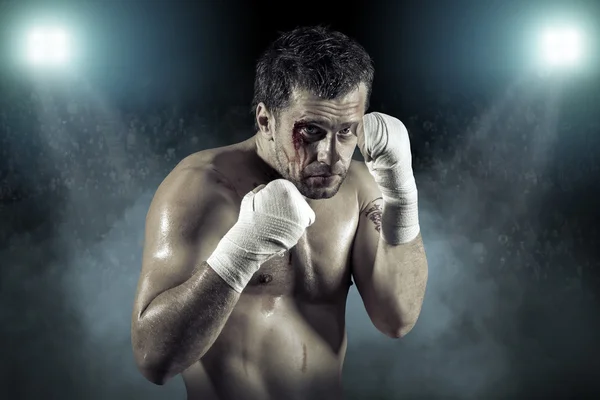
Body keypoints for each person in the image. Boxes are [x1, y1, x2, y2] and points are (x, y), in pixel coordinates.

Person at [131, 26, 428, 400]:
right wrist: (241, 250)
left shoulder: (357, 188)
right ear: (266, 121)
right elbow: (153, 360)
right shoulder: (200, 189)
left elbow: (397, 319)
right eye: (311, 131)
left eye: (347, 131)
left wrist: (402, 191)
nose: (331, 155)